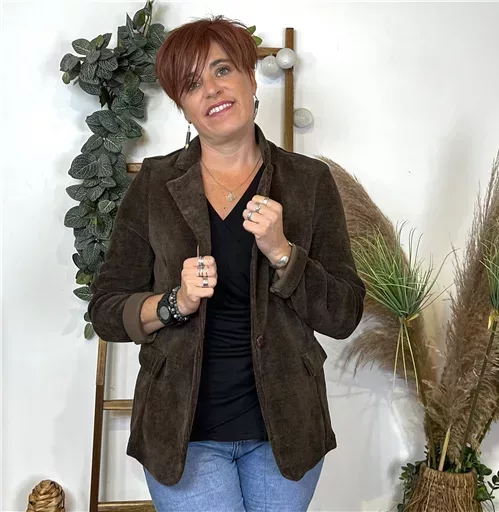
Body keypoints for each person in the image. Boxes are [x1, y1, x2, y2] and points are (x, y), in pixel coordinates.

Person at [88, 15, 365, 512]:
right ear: (183, 107)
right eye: (192, 84)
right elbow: (107, 309)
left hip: (286, 432)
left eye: (222, 70)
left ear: (250, 78)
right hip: (182, 434)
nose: (212, 90)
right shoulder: (154, 184)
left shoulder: (308, 182)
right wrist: (174, 302)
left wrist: (284, 253)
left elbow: (344, 314)